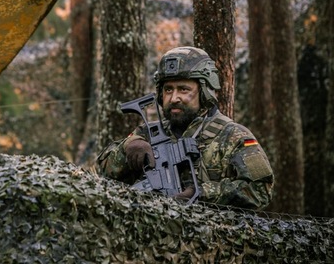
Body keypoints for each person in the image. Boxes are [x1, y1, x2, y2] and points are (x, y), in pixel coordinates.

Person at [97, 46, 274, 209]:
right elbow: (100, 173)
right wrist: (127, 146)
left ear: (204, 92)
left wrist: (201, 193)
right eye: (168, 90)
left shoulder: (233, 136)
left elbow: (259, 189)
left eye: (183, 89)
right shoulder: (148, 133)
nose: (174, 98)